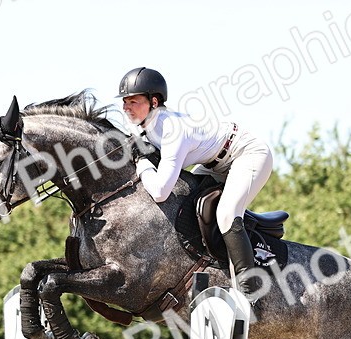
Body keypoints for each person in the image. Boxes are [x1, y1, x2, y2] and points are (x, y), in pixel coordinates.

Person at [117, 66, 273, 295]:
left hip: (247, 153)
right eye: (125, 102)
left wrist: (141, 162)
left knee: (227, 213)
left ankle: (249, 291)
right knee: (185, 202)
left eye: (133, 101)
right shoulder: (146, 128)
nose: (126, 107)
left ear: (154, 102)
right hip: (215, 163)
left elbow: (160, 190)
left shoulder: (171, 129)